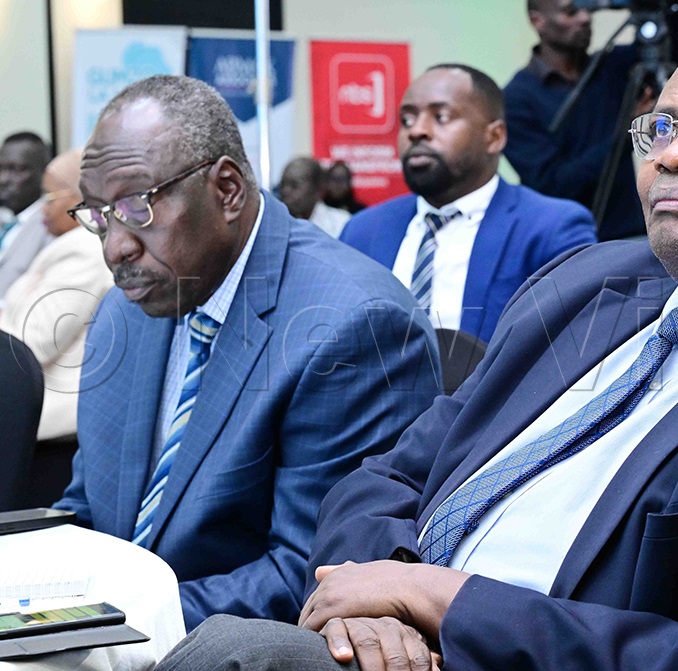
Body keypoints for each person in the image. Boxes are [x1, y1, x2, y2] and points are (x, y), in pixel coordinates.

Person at [156, 36, 678, 671]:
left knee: (236, 652)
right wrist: (377, 595)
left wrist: (439, 598)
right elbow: (391, 473)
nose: (673, 152)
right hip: (379, 642)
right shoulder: (589, 283)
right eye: (659, 126)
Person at [53, 75, 442, 631]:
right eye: (97, 214)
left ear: (228, 190)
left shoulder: (355, 328)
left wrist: (98, 626)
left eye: (137, 206)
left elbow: (311, 577)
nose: (115, 246)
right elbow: (89, 509)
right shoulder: (127, 309)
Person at [341, 64, 597, 343]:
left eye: (440, 117)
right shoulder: (361, 231)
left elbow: (572, 348)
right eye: (407, 120)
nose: (416, 132)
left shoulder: (551, 229)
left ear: (495, 137)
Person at [503, 0, 678, 241]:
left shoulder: (611, 67)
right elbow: (552, 185)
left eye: (588, 8)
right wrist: (626, 131)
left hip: (630, 234)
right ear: (537, 21)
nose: (585, 18)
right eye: (571, 11)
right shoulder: (516, 99)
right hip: (562, 243)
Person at [0, 149, 111, 440]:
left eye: (49, 197)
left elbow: (34, 342)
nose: (42, 210)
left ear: (79, 198)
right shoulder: (69, 245)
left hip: (54, 426)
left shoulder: (83, 252)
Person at [0, 132, 51, 298]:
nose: (4, 179)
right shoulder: (6, 220)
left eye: (18, 169)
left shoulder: (51, 225)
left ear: (44, 173)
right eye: (1, 168)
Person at [278, 156, 351, 239]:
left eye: (294, 185)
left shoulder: (341, 223)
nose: (285, 191)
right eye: (283, 184)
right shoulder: (274, 224)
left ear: (317, 188)